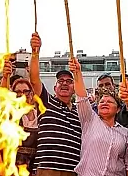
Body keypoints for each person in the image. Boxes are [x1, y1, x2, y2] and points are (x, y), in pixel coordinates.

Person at [68, 58, 128, 176]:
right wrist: (77, 73)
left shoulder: (126, 133)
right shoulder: (89, 120)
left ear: (118, 108)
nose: (104, 103)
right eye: (101, 102)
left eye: (109, 102)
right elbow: (81, 98)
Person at [29, 33, 81, 176]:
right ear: (54, 88)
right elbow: (34, 80)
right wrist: (35, 54)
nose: (64, 83)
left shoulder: (81, 111)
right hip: (47, 169)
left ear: (75, 88)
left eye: (69, 81)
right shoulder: (46, 101)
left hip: (73, 170)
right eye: (60, 81)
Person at [12, 79, 39, 174]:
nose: (23, 95)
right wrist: (6, 76)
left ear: (31, 94)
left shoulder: (40, 116)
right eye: (18, 92)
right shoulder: (11, 116)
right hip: (15, 169)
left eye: (26, 91)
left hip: (36, 169)